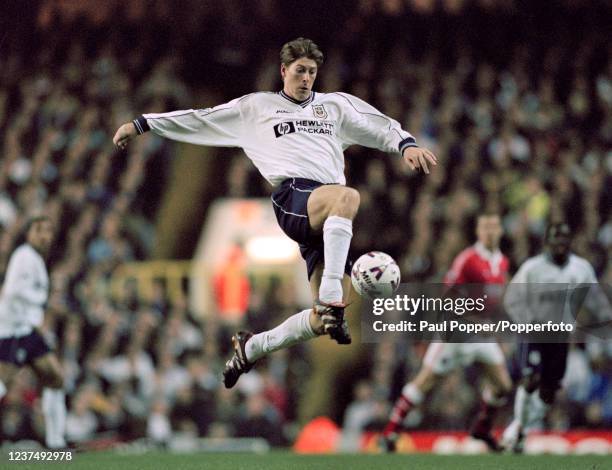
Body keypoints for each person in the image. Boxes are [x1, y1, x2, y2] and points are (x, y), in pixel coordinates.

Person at [113, 38, 437, 388]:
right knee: (348, 198)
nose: (306, 78)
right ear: (284, 71)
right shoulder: (258, 108)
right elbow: (202, 119)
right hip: (294, 197)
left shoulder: (334, 107)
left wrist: (405, 144)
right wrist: (143, 123)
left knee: (320, 320)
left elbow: (377, 125)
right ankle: (332, 294)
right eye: (300, 71)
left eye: (312, 72)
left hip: (325, 218)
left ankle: (252, 347)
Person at [380, 213, 513, 451]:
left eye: (494, 227)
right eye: (485, 227)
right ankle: (390, 434)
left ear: (501, 231)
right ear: (478, 232)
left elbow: (493, 299)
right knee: (426, 381)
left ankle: (482, 429)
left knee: (502, 385)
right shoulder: (467, 259)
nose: (490, 232)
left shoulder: (502, 261)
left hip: (481, 334)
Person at [501, 221, 608, 452]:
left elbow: (596, 299)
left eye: (564, 237)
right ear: (547, 241)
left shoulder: (581, 268)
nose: (560, 242)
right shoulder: (533, 268)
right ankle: (519, 430)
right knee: (530, 380)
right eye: (555, 237)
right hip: (534, 333)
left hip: (560, 337)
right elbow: (511, 297)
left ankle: (521, 427)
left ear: (569, 241)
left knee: (548, 392)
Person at [0, 216, 67, 448]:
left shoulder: (36, 259)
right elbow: (11, 290)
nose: (44, 236)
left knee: (56, 378)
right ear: (29, 233)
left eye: (48, 231)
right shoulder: (24, 256)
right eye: (39, 230)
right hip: (14, 330)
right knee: (2, 383)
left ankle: (56, 443)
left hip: (29, 332)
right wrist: (42, 299)